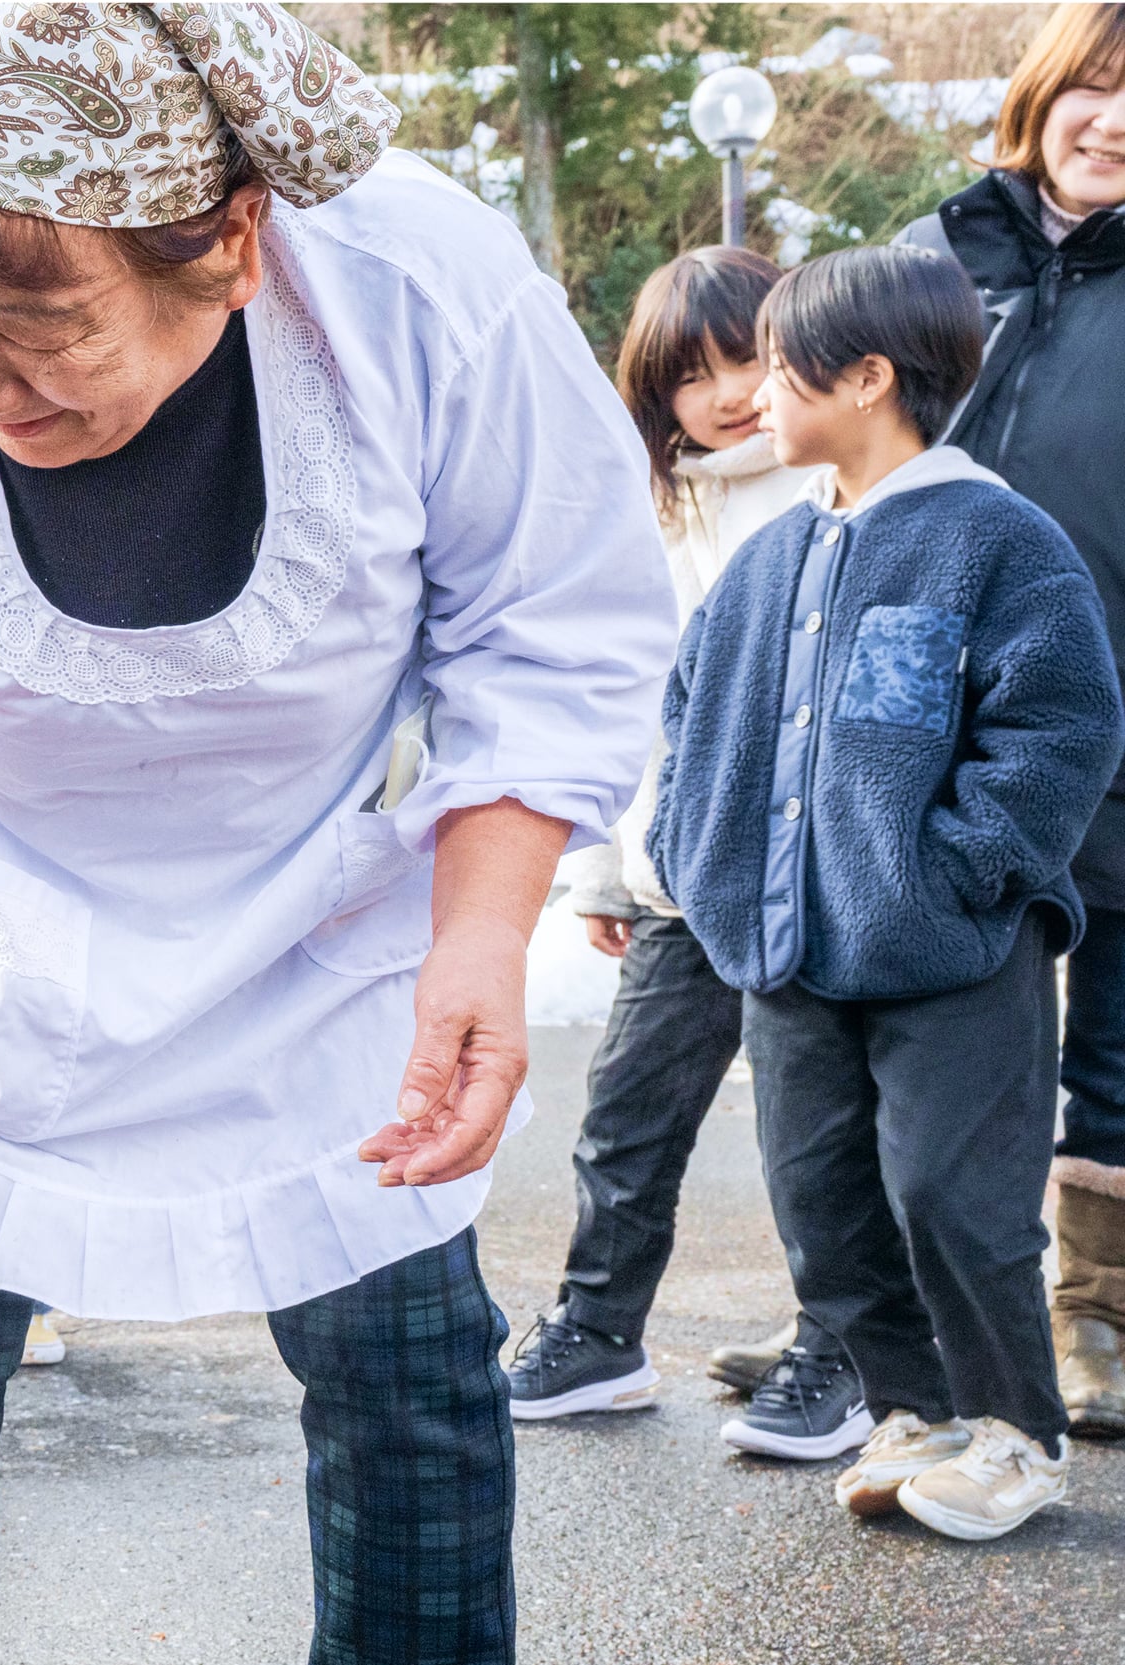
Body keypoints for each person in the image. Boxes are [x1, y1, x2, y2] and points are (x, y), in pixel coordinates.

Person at [0, 7, 673, 1660]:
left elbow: (548, 632)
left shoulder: (422, 293)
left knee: (411, 1391)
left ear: (233, 246)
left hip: (334, 940)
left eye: (40, 325)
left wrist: (485, 927)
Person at [650, 244, 1122, 1541]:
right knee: (823, 1201)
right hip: (790, 959)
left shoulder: (996, 538)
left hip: (953, 954)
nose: (752, 393)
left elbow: (1063, 726)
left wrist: (958, 874)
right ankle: (912, 1411)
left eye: (778, 365)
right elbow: (691, 722)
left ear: (865, 376)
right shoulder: (770, 555)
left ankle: (1015, 1434)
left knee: (952, 1200)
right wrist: (707, 864)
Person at [508, 247, 832, 1428]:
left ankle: (836, 1342)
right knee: (628, 1114)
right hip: (681, 884)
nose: (729, 392)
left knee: (819, 1134)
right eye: (692, 374)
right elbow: (626, 703)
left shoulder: (833, 485)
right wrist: (601, 867)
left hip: (814, 882)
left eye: (748, 357)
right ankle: (597, 1329)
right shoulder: (649, 505)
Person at [900, 1, 1125, 1440]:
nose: (1113, 121)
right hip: (929, 713)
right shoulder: (933, 255)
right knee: (933, 1020)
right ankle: (888, 1323)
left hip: (1117, 714)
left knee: (1115, 1036)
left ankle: (1096, 1318)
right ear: (1044, 96)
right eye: (1096, 88)